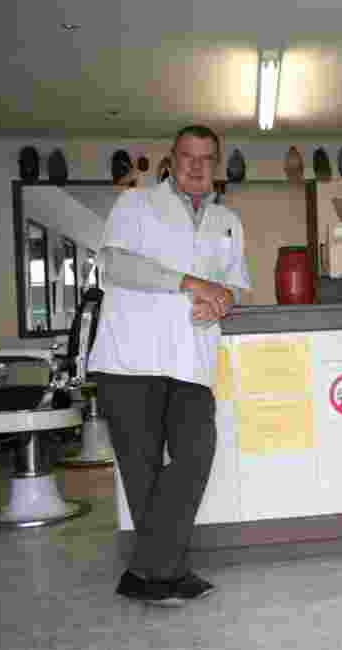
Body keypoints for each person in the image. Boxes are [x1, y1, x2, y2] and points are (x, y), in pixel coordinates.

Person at [88, 124, 251, 606]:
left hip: (192, 360)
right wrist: (190, 284)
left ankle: (146, 572)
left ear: (216, 164)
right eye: (187, 156)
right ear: (171, 159)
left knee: (196, 452)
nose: (197, 166)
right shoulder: (135, 205)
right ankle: (168, 571)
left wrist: (221, 301)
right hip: (129, 360)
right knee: (144, 476)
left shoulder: (228, 221)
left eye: (207, 158)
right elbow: (116, 267)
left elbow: (235, 285)